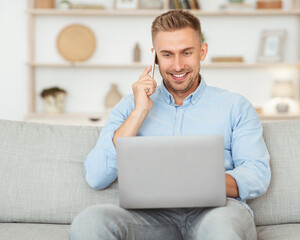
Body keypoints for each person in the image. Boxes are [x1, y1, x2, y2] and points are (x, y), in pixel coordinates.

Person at [70, 9, 270, 240]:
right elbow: (96, 176)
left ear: (202, 51)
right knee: (90, 222)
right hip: (149, 217)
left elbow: (257, 174)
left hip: (217, 212)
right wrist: (140, 112)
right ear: (155, 57)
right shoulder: (130, 106)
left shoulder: (235, 106)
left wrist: (198, 180)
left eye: (186, 53)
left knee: (222, 229)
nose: (177, 66)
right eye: (167, 54)